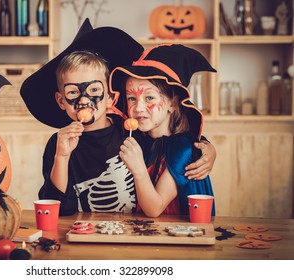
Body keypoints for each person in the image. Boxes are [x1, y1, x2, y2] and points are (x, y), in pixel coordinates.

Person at [20, 19, 215, 216]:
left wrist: (205, 148)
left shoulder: (132, 131)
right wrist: (61, 157)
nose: (84, 100)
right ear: (61, 101)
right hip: (81, 236)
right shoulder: (59, 143)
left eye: (94, 90)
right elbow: (56, 210)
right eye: (73, 93)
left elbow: (170, 141)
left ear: (110, 98)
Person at [110, 44, 216, 218]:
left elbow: (154, 208)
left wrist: (138, 169)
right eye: (131, 98)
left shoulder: (184, 148)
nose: (138, 108)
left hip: (178, 237)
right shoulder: (138, 139)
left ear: (172, 104)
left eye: (149, 98)